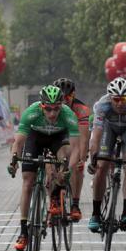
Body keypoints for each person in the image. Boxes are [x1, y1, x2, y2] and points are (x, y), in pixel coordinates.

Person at [7, 85, 80, 251]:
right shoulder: (31, 113)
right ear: (41, 106)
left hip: (58, 138)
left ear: (62, 105)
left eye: (56, 109)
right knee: (27, 182)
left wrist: (68, 168)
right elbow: (18, 142)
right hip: (36, 138)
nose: (52, 114)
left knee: (63, 158)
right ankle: (24, 232)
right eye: (48, 109)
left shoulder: (68, 116)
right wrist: (13, 161)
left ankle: (56, 192)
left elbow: (76, 149)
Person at [87, 77, 126, 233]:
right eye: (116, 99)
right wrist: (93, 159)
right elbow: (96, 136)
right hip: (108, 128)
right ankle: (95, 214)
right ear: (110, 98)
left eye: (124, 99)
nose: (120, 103)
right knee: (101, 167)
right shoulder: (103, 105)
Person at [53, 78, 91, 222]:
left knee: (77, 167)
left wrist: (82, 157)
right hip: (57, 135)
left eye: (68, 97)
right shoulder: (52, 107)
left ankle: (75, 204)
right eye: (62, 98)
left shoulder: (82, 109)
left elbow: (84, 137)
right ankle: (52, 202)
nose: (64, 101)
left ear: (73, 95)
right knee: (50, 167)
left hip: (74, 136)